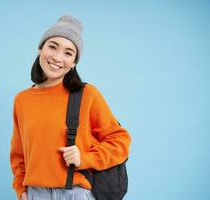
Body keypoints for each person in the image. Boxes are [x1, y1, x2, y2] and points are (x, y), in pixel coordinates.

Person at [10, 15, 131, 200]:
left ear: (74, 62)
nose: (58, 57)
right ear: (40, 49)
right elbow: (19, 155)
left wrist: (84, 158)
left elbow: (120, 141)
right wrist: (21, 190)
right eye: (52, 46)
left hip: (75, 193)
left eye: (68, 52)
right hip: (35, 193)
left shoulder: (86, 94)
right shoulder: (22, 100)